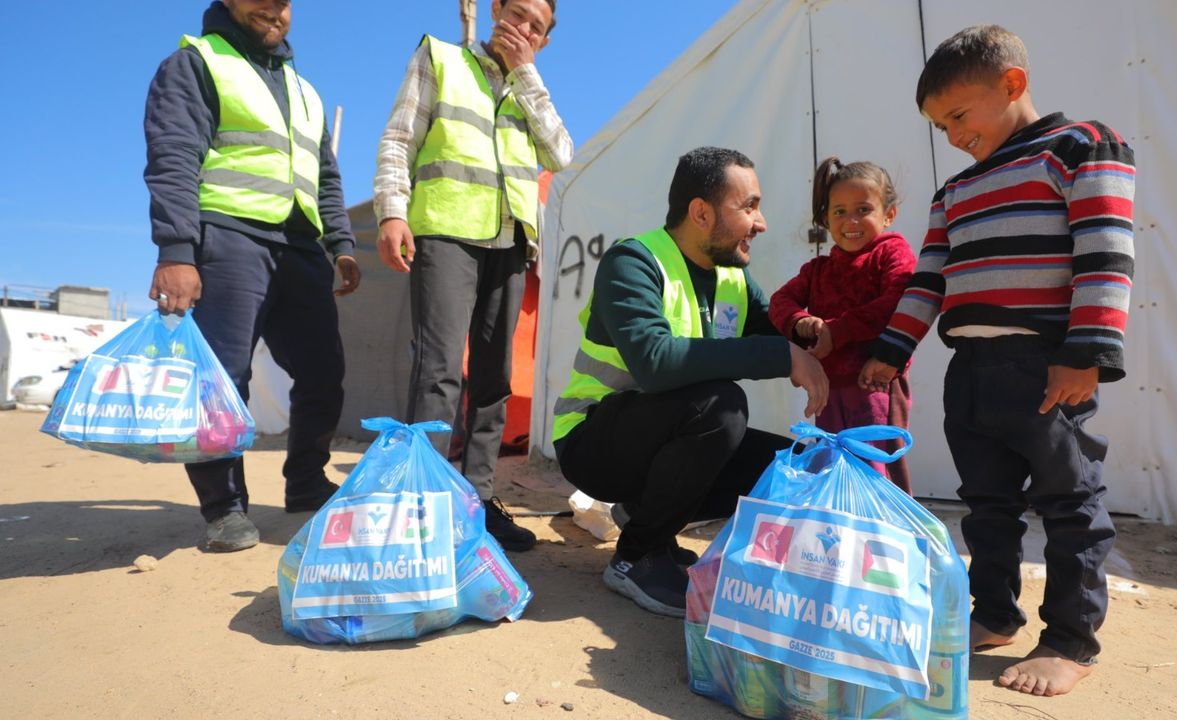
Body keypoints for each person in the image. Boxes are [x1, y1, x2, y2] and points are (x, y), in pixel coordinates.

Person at [860, 25, 1136, 696]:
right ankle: (994, 614)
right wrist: (891, 351)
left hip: (1046, 366)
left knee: (1070, 501)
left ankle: (1071, 640)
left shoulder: (1079, 148)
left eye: (959, 114)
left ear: (1012, 84)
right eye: (939, 124)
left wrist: (1088, 353)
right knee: (984, 503)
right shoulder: (952, 190)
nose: (951, 133)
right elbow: (928, 280)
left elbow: (1105, 252)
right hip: (971, 372)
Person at [553, 147, 830, 617]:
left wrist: (809, 331)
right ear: (700, 212)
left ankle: (647, 519)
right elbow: (655, 363)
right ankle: (636, 556)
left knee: (794, 464)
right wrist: (782, 354)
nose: (760, 223)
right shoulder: (633, 262)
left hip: (657, 437)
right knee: (723, 409)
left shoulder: (733, 278)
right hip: (592, 440)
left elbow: (778, 336)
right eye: (749, 206)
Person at [144, 0, 361, 553]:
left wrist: (339, 244)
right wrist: (176, 251)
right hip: (228, 237)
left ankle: (307, 483)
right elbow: (173, 156)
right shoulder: (197, 62)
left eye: (287, 1)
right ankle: (224, 510)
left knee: (323, 371)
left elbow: (326, 178)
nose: (277, 8)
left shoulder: (305, 91)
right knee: (224, 379)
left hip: (299, 245)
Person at [373, 0, 572, 553]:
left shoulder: (530, 89)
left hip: (509, 243)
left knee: (494, 377)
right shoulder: (440, 58)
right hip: (445, 232)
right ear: (494, 11)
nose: (523, 28)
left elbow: (561, 151)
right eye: (517, 14)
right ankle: (424, 505)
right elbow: (398, 138)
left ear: (543, 41)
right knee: (439, 370)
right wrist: (392, 210)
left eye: (536, 26)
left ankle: (477, 502)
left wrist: (527, 73)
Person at [768, 158, 916, 492]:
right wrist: (801, 321)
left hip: (876, 387)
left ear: (888, 214)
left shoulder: (892, 253)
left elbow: (899, 300)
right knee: (833, 471)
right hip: (828, 390)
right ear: (825, 219)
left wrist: (838, 331)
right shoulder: (818, 268)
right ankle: (841, 540)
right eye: (839, 212)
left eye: (863, 209)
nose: (851, 221)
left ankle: (884, 541)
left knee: (875, 472)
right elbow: (779, 303)